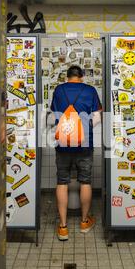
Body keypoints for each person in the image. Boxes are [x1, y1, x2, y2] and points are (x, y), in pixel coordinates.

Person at [50, 65, 102, 241]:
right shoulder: (90, 90)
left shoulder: (59, 89)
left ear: (67, 76)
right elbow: (97, 116)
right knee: (85, 181)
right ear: (81, 77)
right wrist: (84, 129)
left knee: (62, 181)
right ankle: (84, 222)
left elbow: (54, 114)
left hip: (63, 143)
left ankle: (63, 227)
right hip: (84, 143)